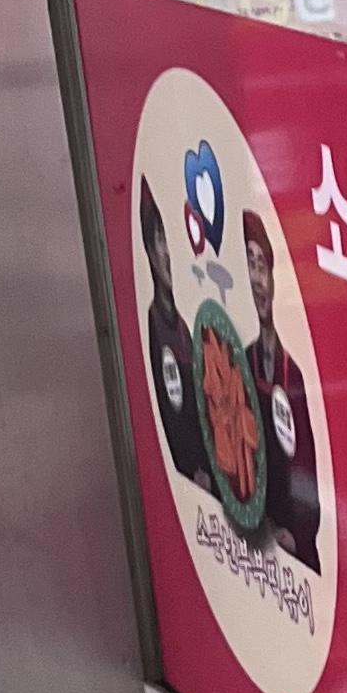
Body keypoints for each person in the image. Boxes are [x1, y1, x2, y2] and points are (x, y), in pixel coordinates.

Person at [243, 207, 324, 571]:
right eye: (250, 264)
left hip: (295, 551)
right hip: (257, 541)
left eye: (262, 266)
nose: (257, 279)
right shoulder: (244, 362)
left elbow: (306, 470)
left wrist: (297, 532)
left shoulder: (292, 374)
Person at [139, 181, 208, 491]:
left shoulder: (183, 327)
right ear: (149, 251)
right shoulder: (154, 326)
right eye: (159, 239)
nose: (167, 252)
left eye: (168, 237)